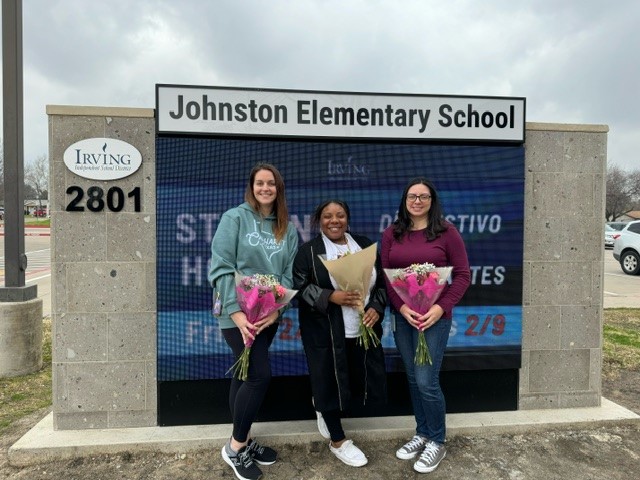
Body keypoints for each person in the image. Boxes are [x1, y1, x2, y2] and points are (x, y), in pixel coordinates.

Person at [208, 163, 298, 480]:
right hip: (236, 314)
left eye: (270, 183)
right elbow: (221, 267)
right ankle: (234, 448)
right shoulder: (235, 218)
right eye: (259, 183)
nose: (265, 188)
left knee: (244, 372)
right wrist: (235, 312)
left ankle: (242, 440)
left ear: (278, 188)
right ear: (251, 186)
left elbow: (288, 275)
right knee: (259, 375)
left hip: (266, 315)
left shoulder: (287, 227)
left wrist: (277, 311)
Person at [381, 177, 470, 474]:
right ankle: (421, 432)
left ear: (433, 201)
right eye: (412, 196)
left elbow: (462, 276)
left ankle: (437, 440)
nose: (417, 201)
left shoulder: (447, 233)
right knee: (411, 376)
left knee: (426, 381)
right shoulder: (392, 234)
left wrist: (438, 307)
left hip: (434, 318)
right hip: (404, 317)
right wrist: (403, 307)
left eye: (423, 196)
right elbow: (387, 277)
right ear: (404, 201)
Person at [293, 199, 387, 468]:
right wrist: (330, 296)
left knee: (354, 377)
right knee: (326, 379)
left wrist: (376, 307)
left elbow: (380, 285)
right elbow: (299, 286)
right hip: (325, 331)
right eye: (327, 216)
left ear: (348, 218)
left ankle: (322, 405)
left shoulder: (364, 245)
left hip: (361, 327)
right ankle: (338, 441)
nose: (334, 220)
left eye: (340, 215)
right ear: (318, 221)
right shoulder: (309, 252)